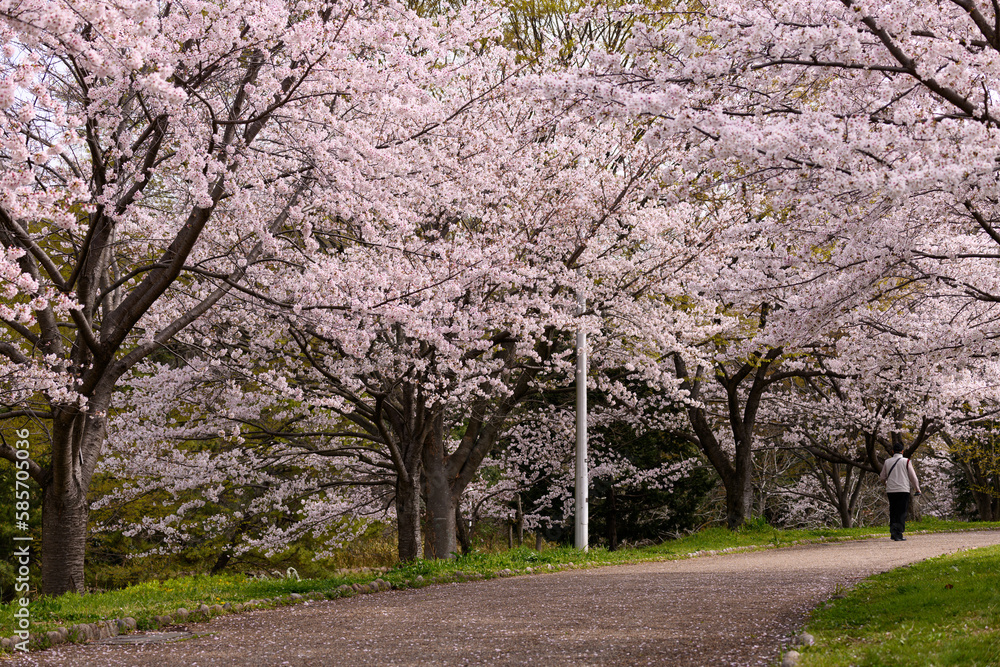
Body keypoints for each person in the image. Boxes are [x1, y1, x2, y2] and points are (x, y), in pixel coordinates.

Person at [879, 442, 921, 541]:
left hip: (891, 490)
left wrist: (886, 484)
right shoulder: (906, 461)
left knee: (893, 511)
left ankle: (893, 532)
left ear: (893, 451)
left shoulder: (887, 462)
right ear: (902, 451)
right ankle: (898, 533)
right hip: (903, 489)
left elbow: (882, 477)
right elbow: (913, 477)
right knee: (901, 512)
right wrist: (917, 488)